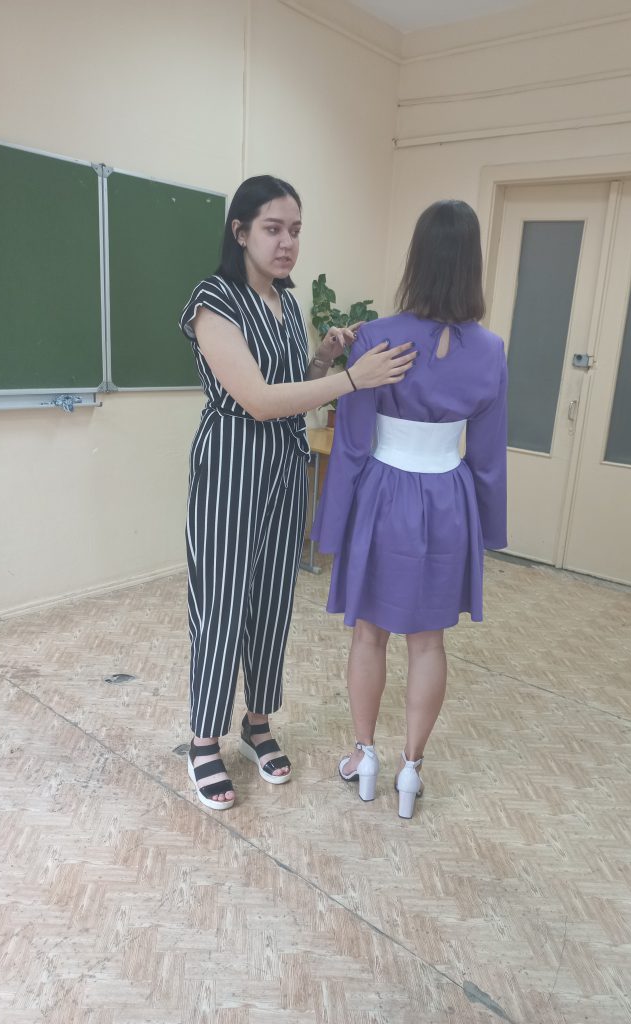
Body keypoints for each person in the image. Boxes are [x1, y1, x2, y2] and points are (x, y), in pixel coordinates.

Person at [178, 175, 416, 810]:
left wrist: (323, 358)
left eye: (296, 231)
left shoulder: (285, 300)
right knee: (222, 601)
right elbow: (257, 399)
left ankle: (257, 723)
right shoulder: (214, 300)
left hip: (284, 467)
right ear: (240, 232)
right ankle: (204, 740)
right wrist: (352, 380)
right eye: (273, 229)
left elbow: (290, 384)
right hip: (232, 465)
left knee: (272, 599)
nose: (287, 243)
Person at [311, 199, 507, 819]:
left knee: (369, 632)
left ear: (416, 258)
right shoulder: (491, 350)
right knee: (428, 642)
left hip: (383, 495)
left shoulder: (376, 337)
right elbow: (488, 455)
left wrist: (332, 524)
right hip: (448, 500)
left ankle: (363, 756)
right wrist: (487, 530)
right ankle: (411, 770)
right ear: (472, 263)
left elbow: (351, 442)